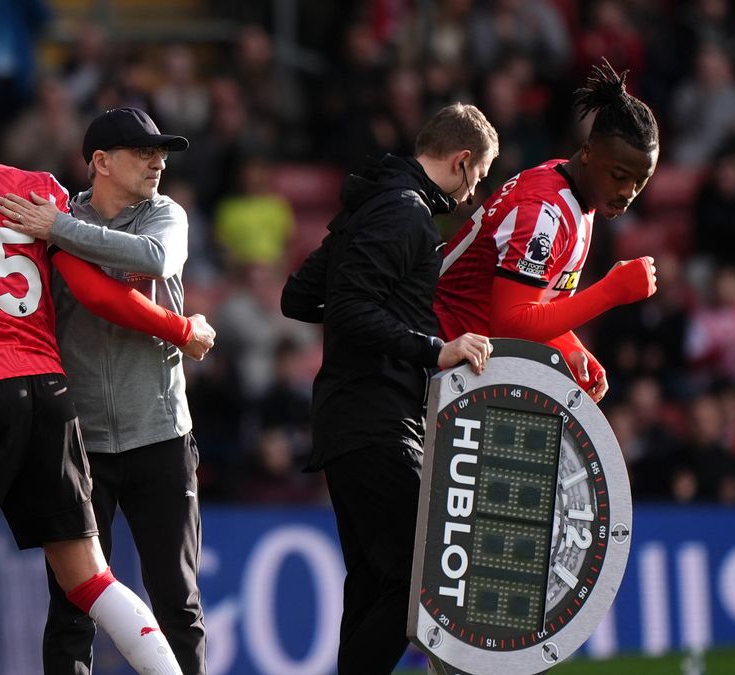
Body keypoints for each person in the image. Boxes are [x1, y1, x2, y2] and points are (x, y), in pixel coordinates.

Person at [0, 83, 214, 675]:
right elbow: (90, 290)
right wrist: (179, 329)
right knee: (87, 579)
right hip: (52, 394)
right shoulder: (39, 191)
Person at [279, 103, 498, 674]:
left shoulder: (373, 202)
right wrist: (433, 347)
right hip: (377, 418)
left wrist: (376, 307)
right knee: (426, 575)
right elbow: (349, 310)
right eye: (480, 176)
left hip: (347, 419)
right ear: (462, 160)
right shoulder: (406, 215)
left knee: (375, 581)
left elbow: (300, 297)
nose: (476, 192)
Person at [434, 60, 660, 403]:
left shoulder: (573, 188)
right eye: (619, 176)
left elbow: (536, 302)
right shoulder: (544, 214)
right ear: (587, 152)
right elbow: (511, 323)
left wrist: (568, 346)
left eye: (639, 182)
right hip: (434, 360)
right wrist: (611, 291)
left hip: (460, 365)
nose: (628, 191)